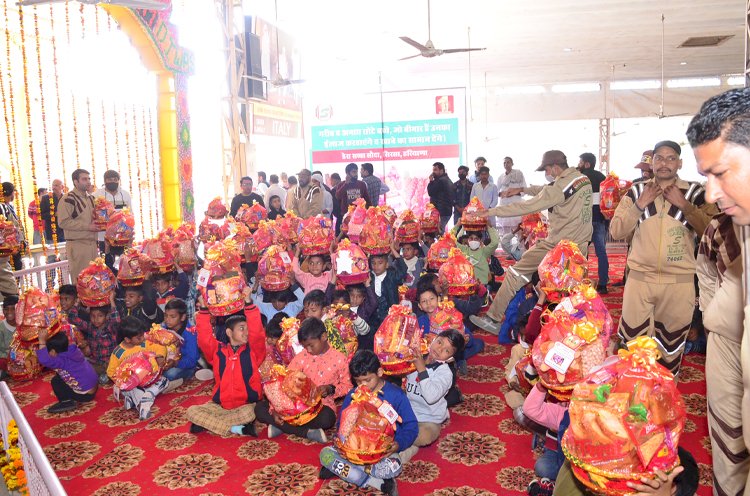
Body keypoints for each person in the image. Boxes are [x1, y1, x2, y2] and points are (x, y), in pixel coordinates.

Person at [686, 86, 750, 494]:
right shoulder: (737, 227)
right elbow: (705, 268)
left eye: (721, 173)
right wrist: (713, 313)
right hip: (726, 340)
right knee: (726, 438)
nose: (711, 193)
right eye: (705, 177)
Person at [610, 140, 716, 375]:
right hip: (639, 281)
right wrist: (639, 204)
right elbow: (616, 231)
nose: (664, 163)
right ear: (653, 162)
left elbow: (713, 232)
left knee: (671, 348)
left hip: (679, 284)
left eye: (670, 158)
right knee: (631, 348)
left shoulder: (695, 193)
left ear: (679, 163)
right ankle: (632, 404)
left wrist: (686, 206)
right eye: (659, 158)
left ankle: (664, 404)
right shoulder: (637, 192)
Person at [471, 150, 593, 335]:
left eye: (548, 169)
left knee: (515, 273)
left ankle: (493, 318)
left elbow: (528, 205)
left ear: (553, 167)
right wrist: (522, 190)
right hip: (580, 247)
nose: (548, 173)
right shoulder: (582, 179)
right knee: (570, 289)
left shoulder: (559, 188)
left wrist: (489, 212)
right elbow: (549, 189)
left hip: (559, 246)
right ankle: (578, 329)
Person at [319, 350, 418, 496]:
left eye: (367, 380)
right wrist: (339, 441)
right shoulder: (353, 395)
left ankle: (347, 470)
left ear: (379, 372)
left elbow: (411, 426)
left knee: (394, 466)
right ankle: (375, 482)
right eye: (358, 381)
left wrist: (398, 444)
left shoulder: (396, 395)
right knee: (325, 454)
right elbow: (342, 425)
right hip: (353, 450)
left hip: (379, 453)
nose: (362, 385)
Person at [255, 317, 349, 443]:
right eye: (305, 346)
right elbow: (284, 382)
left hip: (321, 406)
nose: (308, 350)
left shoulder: (340, 359)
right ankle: (306, 432)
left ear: (324, 337)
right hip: (294, 406)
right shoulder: (301, 357)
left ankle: (282, 427)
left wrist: (331, 389)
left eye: (311, 345)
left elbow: (347, 386)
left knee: (328, 419)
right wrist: (273, 410)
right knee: (259, 408)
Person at [188, 294, 265, 437]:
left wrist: (249, 304)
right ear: (229, 332)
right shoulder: (217, 351)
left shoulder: (253, 351)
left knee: (250, 413)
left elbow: (258, 333)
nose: (247, 332)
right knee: (191, 411)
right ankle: (238, 429)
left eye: (248, 329)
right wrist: (204, 309)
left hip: (245, 406)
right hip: (220, 406)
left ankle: (208, 424)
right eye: (242, 328)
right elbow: (205, 338)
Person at [401, 329, 465, 463]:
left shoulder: (445, 373)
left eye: (447, 351)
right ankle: (403, 444)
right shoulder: (418, 355)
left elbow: (430, 397)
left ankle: (402, 452)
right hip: (407, 413)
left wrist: (421, 369)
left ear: (450, 358)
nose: (440, 349)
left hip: (428, 420)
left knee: (425, 435)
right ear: (434, 339)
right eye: (440, 342)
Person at [107, 316, 169, 420]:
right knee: (134, 389)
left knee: (164, 381)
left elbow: (160, 347)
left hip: (149, 379)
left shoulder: (144, 342)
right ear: (127, 339)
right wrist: (122, 380)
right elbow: (111, 371)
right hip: (132, 385)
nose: (142, 338)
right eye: (138, 337)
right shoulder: (118, 353)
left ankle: (136, 397)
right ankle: (144, 403)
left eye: (142, 335)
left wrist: (160, 356)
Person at [36, 327, 98, 414]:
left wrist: (42, 342)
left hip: (85, 395)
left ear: (53, 352)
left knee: (56, 381)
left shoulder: (60, 361)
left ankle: (66, 402)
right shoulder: (72, 350)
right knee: (60, 374)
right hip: (94, 386)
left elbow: (44, 359)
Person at [67, 292, 120, 383]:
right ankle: (102, 377)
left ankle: (105, 376)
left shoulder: (110, 327)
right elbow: (72, 317)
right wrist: (77, 302)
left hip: (110, 364)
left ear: (107, 316)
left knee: (91, 374)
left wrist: (111, 301)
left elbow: (116, 320)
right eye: (92, 316)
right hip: (96, 362)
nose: (96, 319)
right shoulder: (90, 327)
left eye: (100, 316)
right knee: (76, 365)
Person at [57, 169, 99, 281]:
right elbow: (63, 222)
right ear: (75, 181)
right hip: (77, 245)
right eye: (84, 179)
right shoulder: (68, 198)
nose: (88, 181)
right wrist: (88, 226)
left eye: (89, 178)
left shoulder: (91, 198)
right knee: (82, 282)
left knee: (95, 282)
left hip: (93, 245)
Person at [577, 152, 609, 293]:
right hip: (599, 220)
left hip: (584, 222)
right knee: (601, 252)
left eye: (580, 162)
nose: (578, 165)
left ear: (587, 164)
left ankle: (580, 281)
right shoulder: (602, 178)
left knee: (582, 253)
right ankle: (603, 284)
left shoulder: (580, 179)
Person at [451, 220, 500, 289]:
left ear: (480, 240)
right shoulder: (463, 250)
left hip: (483, 285)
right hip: (467, 284)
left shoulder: (485, 251)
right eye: (471, 238)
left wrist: (489, 227)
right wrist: (457, 225)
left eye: (476, 239)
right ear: (468, 240)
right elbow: (450, 240)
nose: (473, 241)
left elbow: (495, 242)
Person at [160, 298, 199, 384]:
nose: (167, 320)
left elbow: (191, 360)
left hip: (185, 366)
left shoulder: (190, 333)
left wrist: (174, 363)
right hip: (168, 362)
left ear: (183, 317)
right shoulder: (164, 328)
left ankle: (178, 380)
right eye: (165, 315)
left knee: (170, 374)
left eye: (172, 317)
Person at [496, 156, 527, 235]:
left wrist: (513, 193)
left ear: (512, 163)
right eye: (504, 163)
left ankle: (520, 247)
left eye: (508, 162)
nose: (506, 164)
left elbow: (524, 190)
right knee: (505, 231)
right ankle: (506, 247)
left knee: (519, 229)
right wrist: (502, 194)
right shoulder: (501, 177)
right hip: (504, 205)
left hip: (516, 204)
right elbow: (496, 192)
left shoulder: (518, 173)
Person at [0, 182, 25, 270]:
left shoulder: (7, 206)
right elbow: (6, 229)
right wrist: (12, 247)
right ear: (11, 193)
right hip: (9, 248)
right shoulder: (2, 207)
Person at [426, 162, 455, 232]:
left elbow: (430, 192)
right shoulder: (446, 179)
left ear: (441, 170)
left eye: (435, 170)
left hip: (441, 211)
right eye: (433, 170)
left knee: (439, 231)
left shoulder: (441, 181)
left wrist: (431, 181)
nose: (433, 172)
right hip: (445, 211)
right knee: (440, 230)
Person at [39, 179, 65, 243]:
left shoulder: (67, 197)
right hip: (52, 232)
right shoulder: (46, 198)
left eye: (56, 185)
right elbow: (41, 215)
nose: (53, 188)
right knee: (53, 252)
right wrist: (53, 214)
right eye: (53, 185)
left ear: (62, 187)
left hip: (66, 231)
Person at [0, 295, 18, 374]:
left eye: (13, 309)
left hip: (25, 359)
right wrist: (10, 356)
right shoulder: (1, 328)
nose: (9, 312)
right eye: (6, 309)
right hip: (7, 363)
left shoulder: (24, 324)